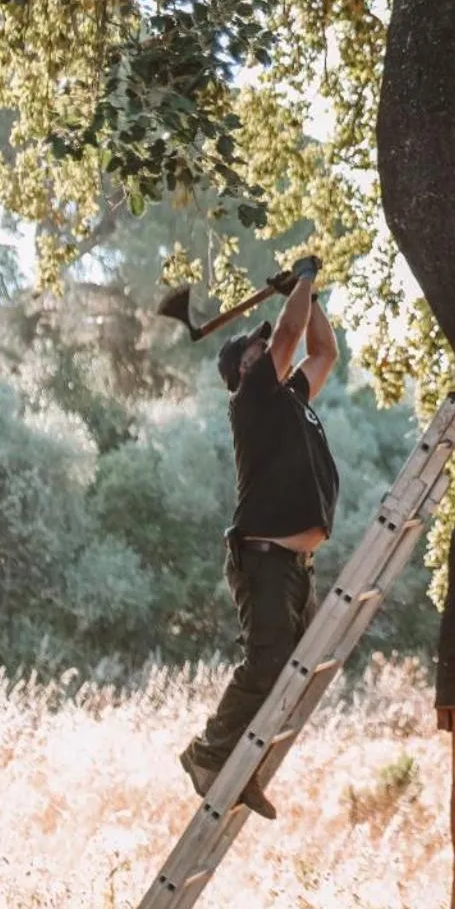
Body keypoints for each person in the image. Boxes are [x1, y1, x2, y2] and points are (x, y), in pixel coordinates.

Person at [179, 255, 339, 820]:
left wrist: (310, 296)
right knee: (267, 663)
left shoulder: (290, 399)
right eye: (258, 351)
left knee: (296, 672)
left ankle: (241, 765)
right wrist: (303, 282)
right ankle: (206, 755)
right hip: (264, 560)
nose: (270, 350)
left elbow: (324, 352)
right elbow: (291, 335)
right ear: (242, 371)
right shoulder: (249, 401)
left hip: (295, 567)